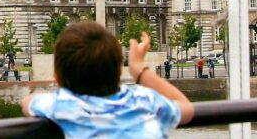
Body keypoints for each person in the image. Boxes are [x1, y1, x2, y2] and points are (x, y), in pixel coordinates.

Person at [22, 23, 194, 137]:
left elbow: (28, 102)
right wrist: (138, 69)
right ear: (119, 71)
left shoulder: (63, 105)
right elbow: (186, 108)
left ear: (58, 78)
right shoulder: (143, 99)